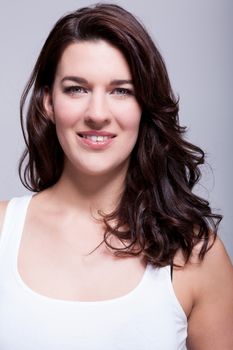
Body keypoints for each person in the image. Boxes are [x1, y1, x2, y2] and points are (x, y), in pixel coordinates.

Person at [0, 3, 232, 349]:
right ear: (48, 102)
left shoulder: (197, 255)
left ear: (145, 105)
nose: (97, 113)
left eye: (121, 90)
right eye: (76, 88)